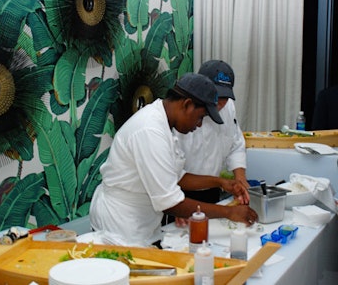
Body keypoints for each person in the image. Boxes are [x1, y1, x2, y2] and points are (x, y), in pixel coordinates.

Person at [89, 73, 258, 247]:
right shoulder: (150, 130)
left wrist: (220, 182)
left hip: (142, 224)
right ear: (187, 104)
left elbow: (178, 177)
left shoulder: (164, 123)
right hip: (121, 226)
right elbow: (171, 203)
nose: (199, 125)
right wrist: (229, 212)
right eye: (200, 117)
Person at [170, 60, 248, 226]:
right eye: (216, 96)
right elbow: (172, 173)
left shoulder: (229, 108)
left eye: (225, 97)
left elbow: (236, 144)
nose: (220, 103)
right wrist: (178, 205)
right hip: (182, 194)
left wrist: (240, 179)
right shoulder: (181, 116)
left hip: (213, 191)